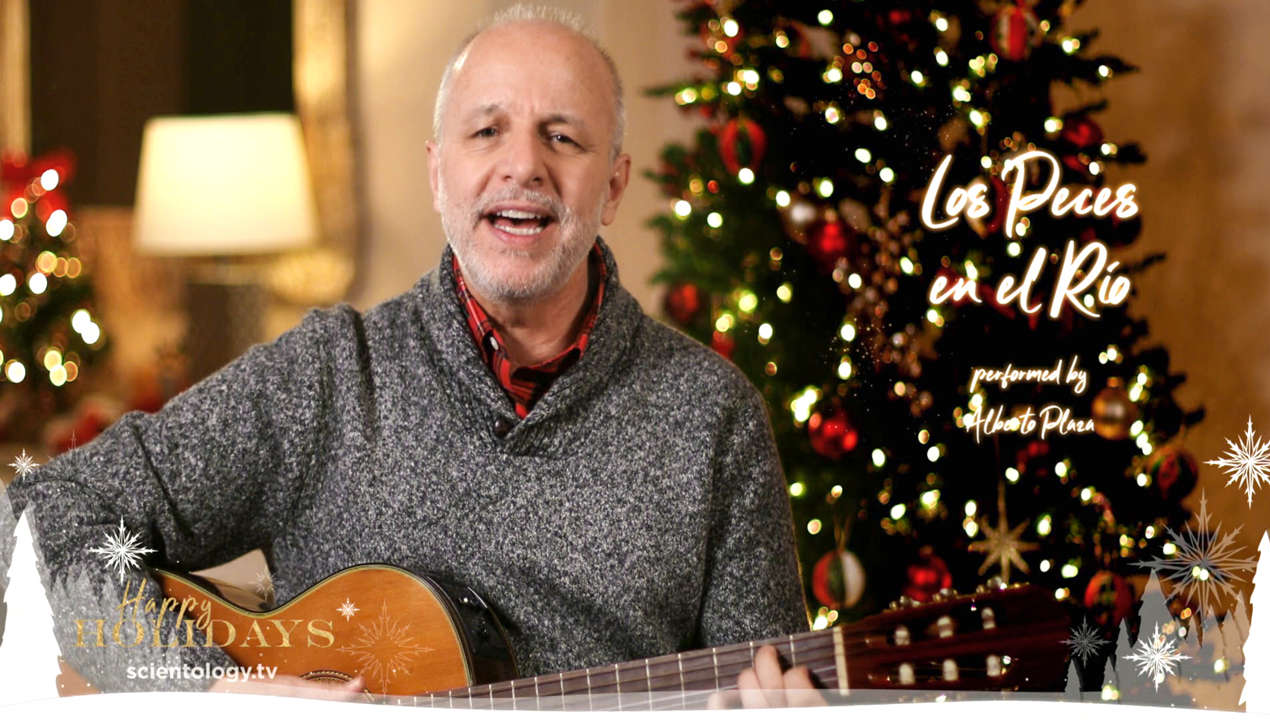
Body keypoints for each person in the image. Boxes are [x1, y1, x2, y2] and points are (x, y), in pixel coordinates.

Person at [7, 5, 819, 707]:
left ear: (611, 186)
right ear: (438, 174)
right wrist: (208, 691)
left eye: (563, 137)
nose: (523, 165)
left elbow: (769, 684)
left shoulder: (711, 415)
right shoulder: (327, 375)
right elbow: (37, 522)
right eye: (487, 131)